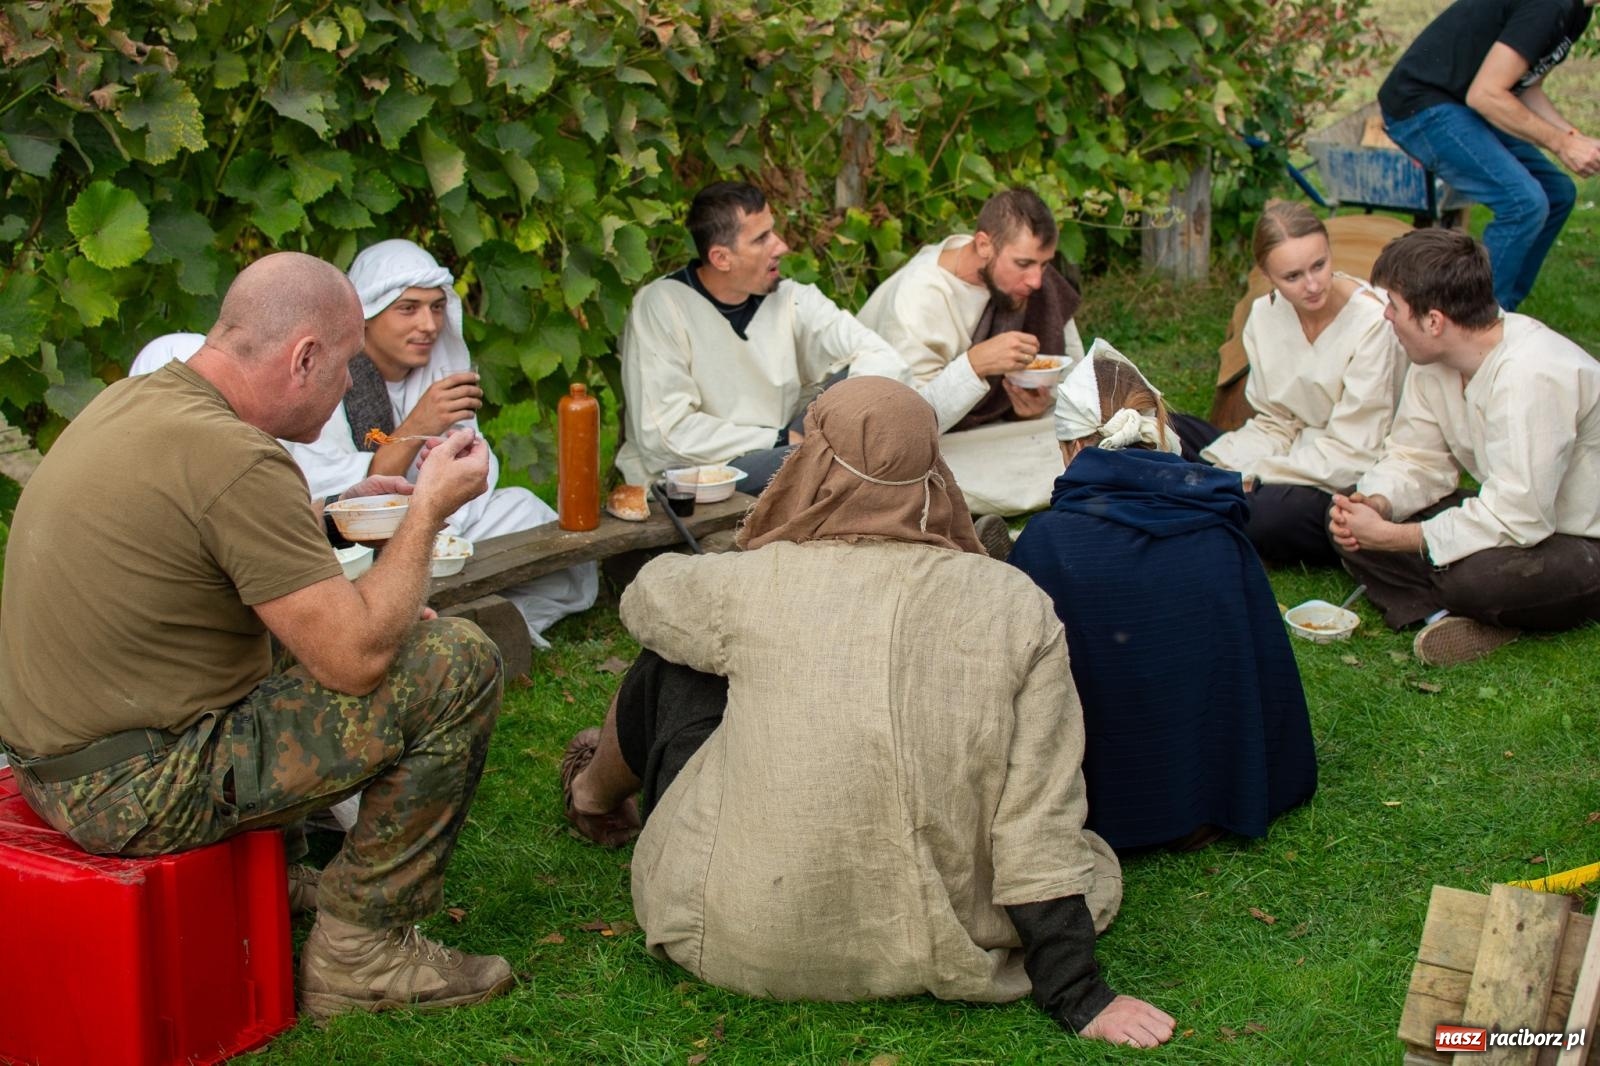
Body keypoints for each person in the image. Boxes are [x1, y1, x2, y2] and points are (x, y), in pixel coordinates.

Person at [562, 376, 1176, 1048]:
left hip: (744, 936)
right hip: (944, 933)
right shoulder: (1016, 602)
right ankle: (596, 793)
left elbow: (648, 598)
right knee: (702, 649)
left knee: (675, 658)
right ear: (932, 468)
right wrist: (1077, 993)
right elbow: (1039, 809)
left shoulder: (747, 585)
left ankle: (591, 795)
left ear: (814, 464)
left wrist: (754, 548)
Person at [0, 252, 515, 1019]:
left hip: (58, 761)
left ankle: (276, 884)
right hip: (129, 790)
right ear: (304, 356)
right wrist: (426, 513)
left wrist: (338, 508)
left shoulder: (140, 404)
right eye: (344, 367)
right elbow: (355, 658)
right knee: (454, 661)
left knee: (381, 635)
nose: (349, 387)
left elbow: (205, 546)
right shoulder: (238, 459)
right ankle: (360, 953)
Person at [1010, 345, 1317, 852]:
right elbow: (1258, 675)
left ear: (1069, 448)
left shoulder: (1049, 543)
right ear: (1159, 429)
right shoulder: (1220, 527)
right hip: (1215, 796)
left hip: (1103, 807)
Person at [284, 239, 596, 649]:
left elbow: (470, 474)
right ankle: (440, 627)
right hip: (360, 541)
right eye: (408, 308)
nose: (429, 325)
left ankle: (484, 621)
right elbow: (342, 495)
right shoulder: (330, 382)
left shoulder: (439, 366)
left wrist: (458, 460)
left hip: (446, 522)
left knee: (530, 513)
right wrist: (419, 424)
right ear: (368, 315)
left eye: (435, 307)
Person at [1330, 229, 1600, 666]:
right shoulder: (1434, 359)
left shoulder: (1532, 375)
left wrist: (1398, 537)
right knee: (1350, 527)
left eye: (1393, 306)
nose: (1386, 316)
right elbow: (1417, 458)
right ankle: (1452, 618)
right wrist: (1378, 505)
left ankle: (1467, 606)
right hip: (1518, 518)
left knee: (1475, 581)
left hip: (1582, 537)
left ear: (1434, 320)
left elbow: (1521, 515)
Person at [613, 181, 903, 493]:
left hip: (793, 446)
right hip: (703, 473)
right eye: (762, 239)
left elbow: (886, 359)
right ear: (722, 258)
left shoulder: (792, 298)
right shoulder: (662, 306)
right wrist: (777, 440)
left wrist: (843, 427)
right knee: (834, 465)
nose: (781, 246)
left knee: (865, 385)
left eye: (773, 231)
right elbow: (665, 436)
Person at [1168, 202, 1407, 566]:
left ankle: (1189, 499)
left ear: (1330, 251)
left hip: (1344, 476)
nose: (1312, 285)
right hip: (1286, 453)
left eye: (1319, 265)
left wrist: (1251, 474)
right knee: (1163, 427)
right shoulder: (1264, 314)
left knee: (1265, 516)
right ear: (1267, 274)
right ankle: (1200, 498)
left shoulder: (1373, 325)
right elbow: (1275, 420)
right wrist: (1233, 466)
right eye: (1293, 277)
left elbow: (1355, 453)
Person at [852, 187, 1083, 515]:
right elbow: (904, 422)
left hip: (988, 432)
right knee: (908, 472)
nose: (1036, 280)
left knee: (1085, 433)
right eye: (1024, 264)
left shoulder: (1027, 276)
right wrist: (975, 365)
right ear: (984, 245)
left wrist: (1031, 406)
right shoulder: (918, 298)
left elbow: (1072, 370)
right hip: (907, 436)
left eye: (1045, 264)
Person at [1377, 0, 1600, 311]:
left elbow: (1527, 87)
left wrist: (1574, 138)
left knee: (1558, 193)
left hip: (1463, 105)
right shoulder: (1548, 5)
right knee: (1523, 203)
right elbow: (1486, 94)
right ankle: (1474, 319)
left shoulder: (1577, 11)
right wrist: (1561, 143)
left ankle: (1503, 312)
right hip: (1421, 105)